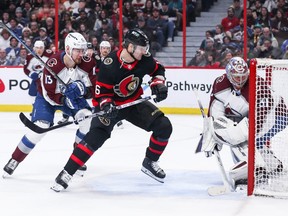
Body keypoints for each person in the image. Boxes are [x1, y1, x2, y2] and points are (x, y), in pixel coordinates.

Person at [51, 28, 173, 192]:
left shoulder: (144, 59)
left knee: (164, 126)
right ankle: (66, 173)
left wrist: (158, 84)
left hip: (134, 102)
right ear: (130, 47)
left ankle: (150, 161)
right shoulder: (110, 64)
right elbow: (101, 94)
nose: (145, 51)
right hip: (112, 106)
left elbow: (158, 69)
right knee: (95, 138)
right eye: (141, 48)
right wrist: (107, 105)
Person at [3, 32, 97, 177]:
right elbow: (49, 94)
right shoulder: (53, 64)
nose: (81, 54)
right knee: (40, 127)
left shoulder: (88, 63)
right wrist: (65, 101)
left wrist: (84, 90)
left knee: (87, 118)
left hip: (72, 98)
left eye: (83, 50)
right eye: (78, 50)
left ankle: (78, 158)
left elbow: (94, 87)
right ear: (68, 49)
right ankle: (15, 159)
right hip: (48, 99)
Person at [198, 57, 287, 188]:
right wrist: (212, 134)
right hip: (256, 116)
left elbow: (258, 121)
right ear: (228, 74)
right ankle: (272, 165)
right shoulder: (220, 83)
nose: (240, 80)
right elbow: (215, 113)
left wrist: (230, 135)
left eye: (243, 76)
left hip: (277, 116)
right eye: (236, 77)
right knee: (236, 133)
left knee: (241, 138)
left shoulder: (258, 85)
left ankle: (255, 170)